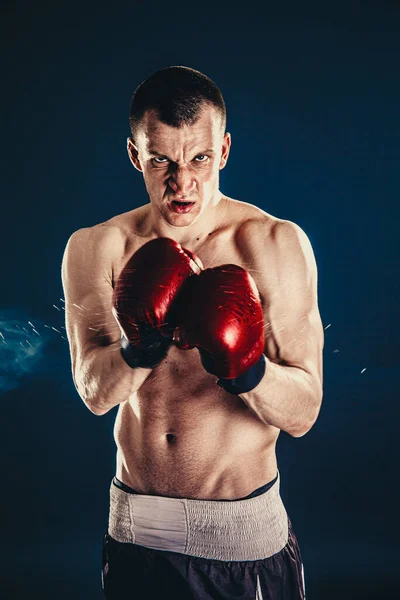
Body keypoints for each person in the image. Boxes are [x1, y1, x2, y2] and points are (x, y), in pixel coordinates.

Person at [61, 65, 324, 599]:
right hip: (136, 536)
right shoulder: (97, 247)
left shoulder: (273, 245)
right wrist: (141, 348)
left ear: (224, 150)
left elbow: (305, 412)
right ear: (136, 156)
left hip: (241, 544)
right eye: (162, 160)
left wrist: (247, 368)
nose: (183, 182)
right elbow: (92, 391)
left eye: (200, 158)